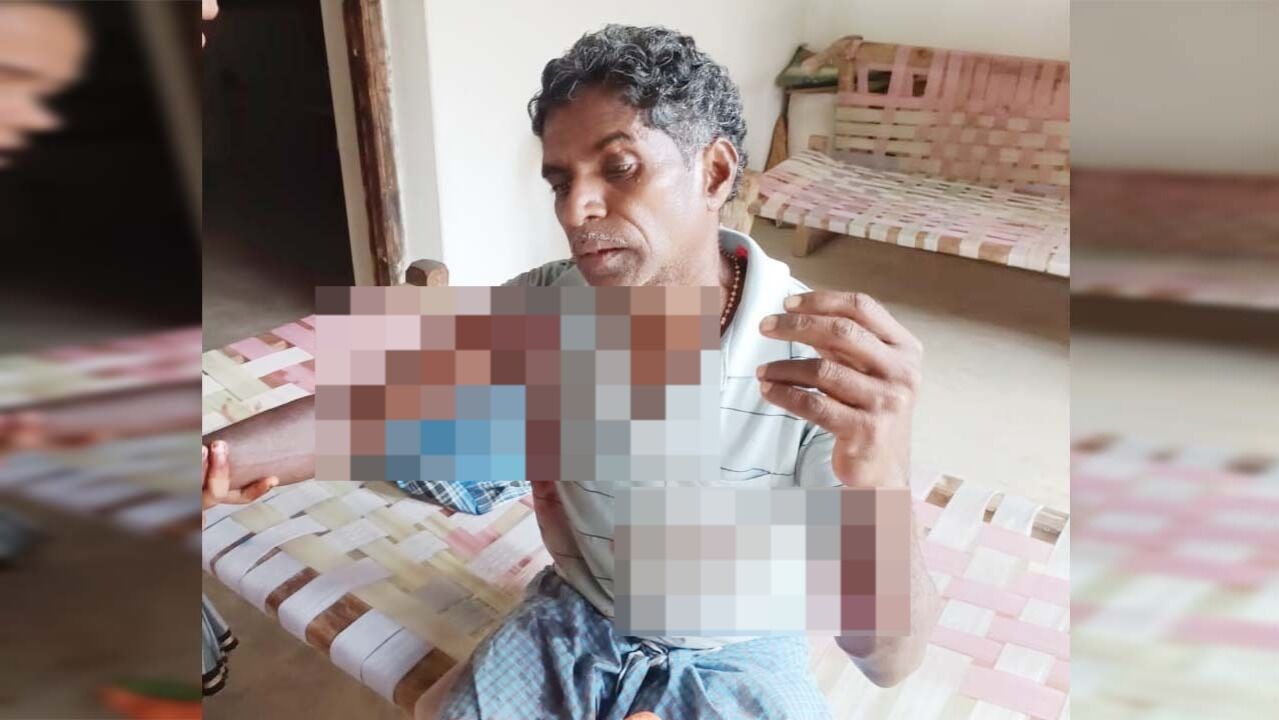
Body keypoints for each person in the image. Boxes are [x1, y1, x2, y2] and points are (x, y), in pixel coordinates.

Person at [416, 25, 941, 720]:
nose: (575, 210)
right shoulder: (550, 301)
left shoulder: (820, 366)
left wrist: (882, 481)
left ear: (714, 173)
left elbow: (888, 660)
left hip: (740, 647)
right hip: (581, 612)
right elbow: (390, 409)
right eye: (560, 182)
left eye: (618, 168)